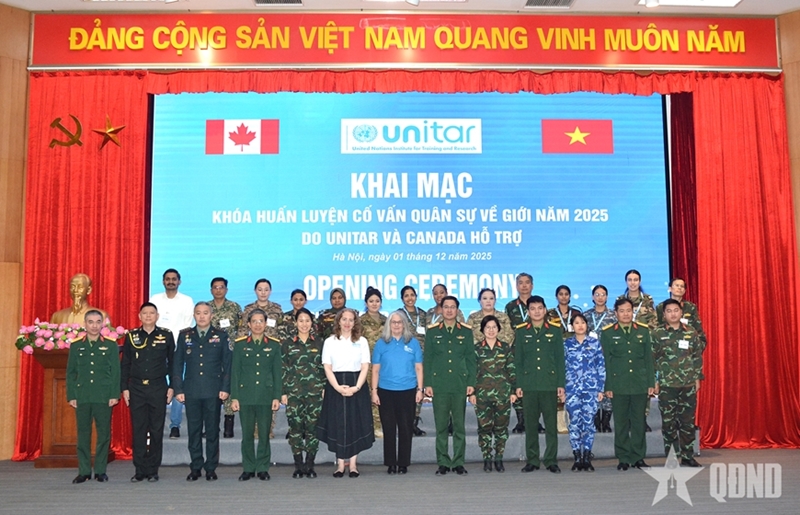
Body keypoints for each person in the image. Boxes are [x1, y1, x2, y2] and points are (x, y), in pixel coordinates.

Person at [172, 302, 232, 481]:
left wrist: (225, 388)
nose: (202, 316)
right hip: (191, 391)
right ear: (194, 315)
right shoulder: (185, 336)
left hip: (213, 391)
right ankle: (196, 466)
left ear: (211, 315)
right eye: (198, 313)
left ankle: (211, 467)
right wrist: (178, 389)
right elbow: (177, 364)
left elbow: (228, 365)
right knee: (194, 431)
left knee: (212, 431)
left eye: (205, 313)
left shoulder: (221, 336)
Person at [121, 302, 175, 482]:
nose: (149, 316)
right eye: (145, 313)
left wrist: (172, 386)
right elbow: (125, 364)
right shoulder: (131, 336)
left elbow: (173, 363)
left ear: (157, 316)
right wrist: (124, 388)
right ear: (139, 316)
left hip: (158, 387)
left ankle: (153, 469)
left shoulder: (166, 335)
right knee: (139, 429)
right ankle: (139, 469)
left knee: (156, 429)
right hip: (136, 388)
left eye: (152, 313)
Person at [317, 308, 374, 477]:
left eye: (351, 320)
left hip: (357, 384)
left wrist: (356, 387)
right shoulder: (330, 341)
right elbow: (327, 367)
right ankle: (340, 465)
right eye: (344, 319)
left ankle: (353, 465)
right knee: (338, 423)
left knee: (355, 423)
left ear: (355, 322)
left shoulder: (362, 341)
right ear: (338, 321)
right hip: (335, 385)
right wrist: (337, 387)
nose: (347, 323)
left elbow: (365, 366)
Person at [66, 310, 120, 483]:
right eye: (91, 322)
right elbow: (71, 372)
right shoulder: (76, 346)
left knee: (103, 434)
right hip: (82, 395)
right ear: (85, 324)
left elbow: (115, 372)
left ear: (102, 324)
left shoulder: (110, 345)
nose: (94, 326)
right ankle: (83, 471)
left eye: (98, 322)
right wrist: (72, 395)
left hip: (103, 396)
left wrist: (114, 394)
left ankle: (100, 470)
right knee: (83, 435)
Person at [424, 295, 476, 476]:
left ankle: (459, 462)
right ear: (441, 309)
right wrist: (428, 383)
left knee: (459, 426)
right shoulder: (432, 331)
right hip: (439, 384)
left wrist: (471, 383)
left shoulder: (466, 332)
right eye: (446, 307)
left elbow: (470, 359)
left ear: (457, 310)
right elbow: (428, 359)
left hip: (459, 384)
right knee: (441, 427)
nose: (449, 310)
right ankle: (443, 462)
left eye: (452, 307)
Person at [601, 298, 655, 471]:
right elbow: (606, 362)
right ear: (615, 313)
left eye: (628, 310)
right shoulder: (608, 333)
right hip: (619, 384)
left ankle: (638, 457)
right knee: (621, 423)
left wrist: (651, 382)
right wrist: (608, 386)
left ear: (633, 312)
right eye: (622, 311)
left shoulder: (643, 331)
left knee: (639, 422)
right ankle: (623, 457)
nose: (626, 314)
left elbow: (648, 359)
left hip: (639, 383)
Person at [652, 299, 705, 467]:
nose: (673, 314)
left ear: (681, 312)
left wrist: (697, 378)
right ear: (664, 314)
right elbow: (651, 360)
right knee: (669, 423)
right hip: (667, 385)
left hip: (688, 384)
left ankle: (688, 455)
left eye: (676, 310)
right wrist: (654, 381)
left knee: (687, 423)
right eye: (669, 311)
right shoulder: (657, 334)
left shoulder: (691, 332)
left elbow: (697, 357)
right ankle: (672, 457)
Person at [514, 295, 564, 474]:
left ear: (545, 310)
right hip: (529, 385)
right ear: (528, 312)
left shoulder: (555, 330)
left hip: (549, 384)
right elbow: (518, 360)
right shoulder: (521, 331)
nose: (536, 312)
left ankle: (551, 460)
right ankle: (532, 460)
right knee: (530, 425)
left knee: (551, 425)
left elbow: (559, 359)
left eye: (539, 308)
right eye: (533, 309)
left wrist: (560, 384)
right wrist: (519, 384)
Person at [230, 309, 282, 481]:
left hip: (266, 395)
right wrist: (235, 397)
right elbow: (235, 372)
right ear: (248, 324)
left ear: (266, 324)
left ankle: (262, 467)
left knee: (264, 434)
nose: (258, 325)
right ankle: (248, 467)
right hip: (245, 395)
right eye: (254, 321)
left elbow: (277, 373)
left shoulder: (274, 345)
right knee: (247, 434)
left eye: (261, 321)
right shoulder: (240, 345)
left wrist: (277, 396)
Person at [371, 310, 423, 475]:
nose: (396, 325)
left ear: (404, 324)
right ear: (389, 324)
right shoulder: (381, 343)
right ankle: (391, 463)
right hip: (386, 391)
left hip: (408, 391)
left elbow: (419, 368)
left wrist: (420, 389)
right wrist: (374, 391)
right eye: (393, 322)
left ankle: (403, 463)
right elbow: (375, 370)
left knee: (406, 429)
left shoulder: (413, 343)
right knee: (389, 429)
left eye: (399, 322)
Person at [149, 268, 194, 439]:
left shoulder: (186, 301)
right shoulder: (155, 299)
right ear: (163, 281)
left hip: (178, 348)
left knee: (177, 384)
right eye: (167, 279)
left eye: (174, 279)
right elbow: (151, 321)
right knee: (157, 384)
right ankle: (156, 423)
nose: (171, 282)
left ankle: (175, 424)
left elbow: (187, 325)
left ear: (179, 281)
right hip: (157, 348)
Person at [282, 308, 325, 478]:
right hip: (294, 394)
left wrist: (324, 388)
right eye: (301, 320)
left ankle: (310, 465)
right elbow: (282, 369)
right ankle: (298, 465)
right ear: (295, 323)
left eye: (307, 320)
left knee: (313, 429)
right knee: (295, 429)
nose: (304, 324)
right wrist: (283, 392)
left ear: (312, 323)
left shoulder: (320, 343)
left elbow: (325, 368)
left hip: (315, 393)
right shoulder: (287, 344)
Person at [469, 315, 515, 473]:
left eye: (494, 327)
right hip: (482, 395)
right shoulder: (476, 349)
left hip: (502, 394)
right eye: (487, 327)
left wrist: (513, 391)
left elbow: (511, 370)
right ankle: (487, 458)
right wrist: (472, 393)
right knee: (484, 428)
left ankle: (499, 458)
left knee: (501, 428)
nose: (491, 330)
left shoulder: (505, 348)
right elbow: (472, 372)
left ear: (498, 329)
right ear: (482, 330)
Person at [564, 314, 605, 472]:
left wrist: (600, 388)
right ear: (572, 326)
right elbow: (561, 367)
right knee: (574, 423)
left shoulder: (594, 343)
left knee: (588, 423)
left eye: (583, 322)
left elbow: (601, 366)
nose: (580, 325)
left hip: (590, 389)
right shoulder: (566, 344)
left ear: (587, 325)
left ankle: (587, 456)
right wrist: (562, 389)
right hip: (572, 389)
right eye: (576, 323)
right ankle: (577, 456)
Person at [208, 277, 243, 439]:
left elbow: (241, 329)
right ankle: (212, 426)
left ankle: (229, 425)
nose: (218, 290)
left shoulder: (234, 307)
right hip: (211, 354)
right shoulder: (206, 307)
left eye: (221, 287)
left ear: (226, 290)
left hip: (230, 352)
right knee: (213, 387)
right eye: (215, 287)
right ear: (211, 290)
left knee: (229, 384)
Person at [583, 285, 617, 433]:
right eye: (597, 294)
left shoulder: (613, 316)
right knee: (593, 387)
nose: (600, 297)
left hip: (609, 357)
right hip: (590, 358)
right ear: (592, 297)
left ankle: (606, 421)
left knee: (608, 386)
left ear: (607, 297)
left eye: (603, 294)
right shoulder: (586, 316)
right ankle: (596, 420)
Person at [504, 272, 533, 434]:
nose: (524, 285)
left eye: (527, 282)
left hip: (535, 351)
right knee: (517, 383)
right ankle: (521, 420)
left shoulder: (538, 303)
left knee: (534, 385)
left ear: (532, 285)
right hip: (516, 351)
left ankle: (534, 420)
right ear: (516, 286)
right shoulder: (510, 307)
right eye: (520, 283)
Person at [400, 285, 429, 436]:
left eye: (412, 295)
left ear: (416, 297)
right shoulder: (398, 315)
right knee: (405, 391)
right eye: (406, 295)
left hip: (421, 359)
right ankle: (404, 423)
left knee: (419, 389)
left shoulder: (423, 314)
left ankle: (414, 423)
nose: (410, 298)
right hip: (404, 358)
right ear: (402, 299)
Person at [359, 287, 387, 438]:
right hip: (366, 364)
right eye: (371, 301)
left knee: (382, 394)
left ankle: (381, 425)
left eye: (377, 301)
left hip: (384, 364)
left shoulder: (387, 321)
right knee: (368, 394)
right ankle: (370, 426)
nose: (374, 304)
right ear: (366, 303)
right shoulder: (360, 321)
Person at [656, 278, 707, 348]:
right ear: (670, 288)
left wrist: (696, 349)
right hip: (666, 347)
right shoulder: (661, 307)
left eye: (682, 286)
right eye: (677, 285)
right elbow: (656, 327)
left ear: (685, 291)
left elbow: (698, 330)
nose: (679, 288)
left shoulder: (690, 307)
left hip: (686, 347)